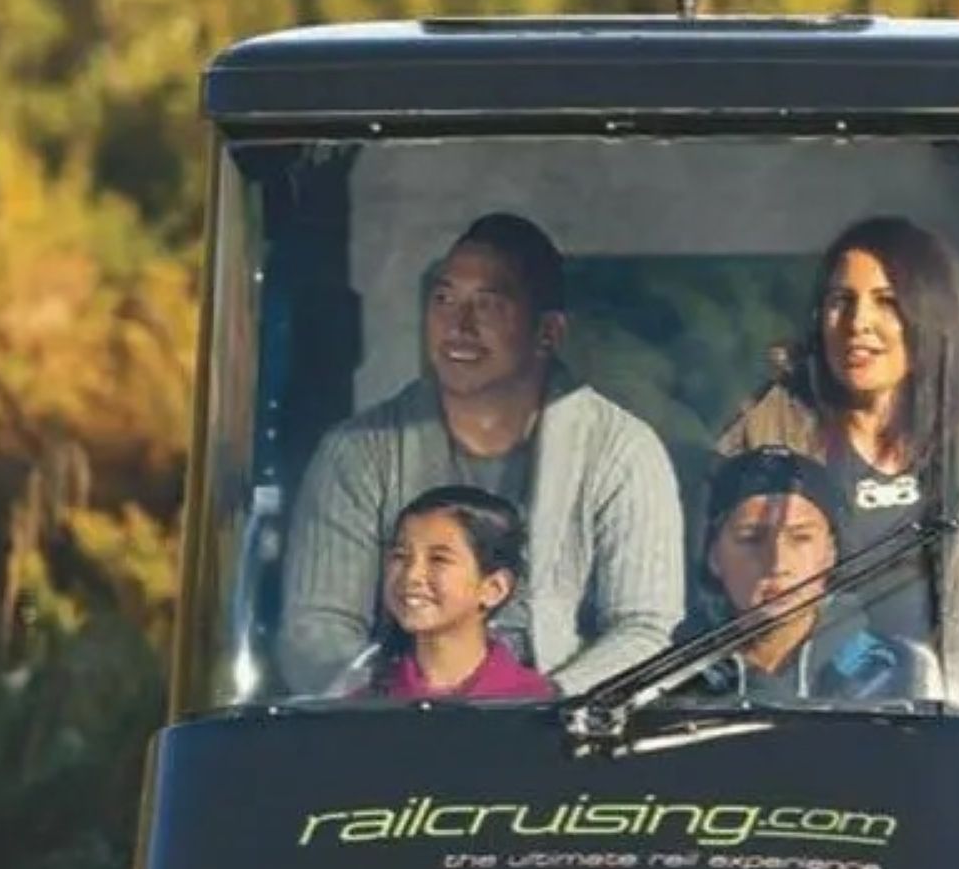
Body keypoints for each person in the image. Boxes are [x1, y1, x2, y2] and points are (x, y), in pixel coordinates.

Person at [277, 212, 685, 697]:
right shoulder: (357, 451)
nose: (458, 325)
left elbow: (646, 631)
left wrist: (546, 706)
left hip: (568, 739)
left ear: (548, 333)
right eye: (444, 299)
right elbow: (314, 627)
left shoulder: (623, 451)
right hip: (391, 732)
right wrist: (388, 702)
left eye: (487, 305)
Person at [710, 216, 959, 646]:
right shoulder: (764, 436)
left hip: (955, 707)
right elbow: (715, 608)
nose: (858, 323)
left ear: (930, 315)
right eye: (841, 301)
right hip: (811, 706)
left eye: (886, 301)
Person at [689, 445, 939, 704]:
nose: (777, 562)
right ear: (713, 556)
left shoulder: (902, 671)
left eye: (800, 538)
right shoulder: (668, 677)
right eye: (751, 538)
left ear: (830, 552)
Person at [360, 486, 555, 701]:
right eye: (400, 555)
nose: (411, 576)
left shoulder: (533, 704)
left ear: (494, 588)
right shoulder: (365, 703)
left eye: (438, 559)